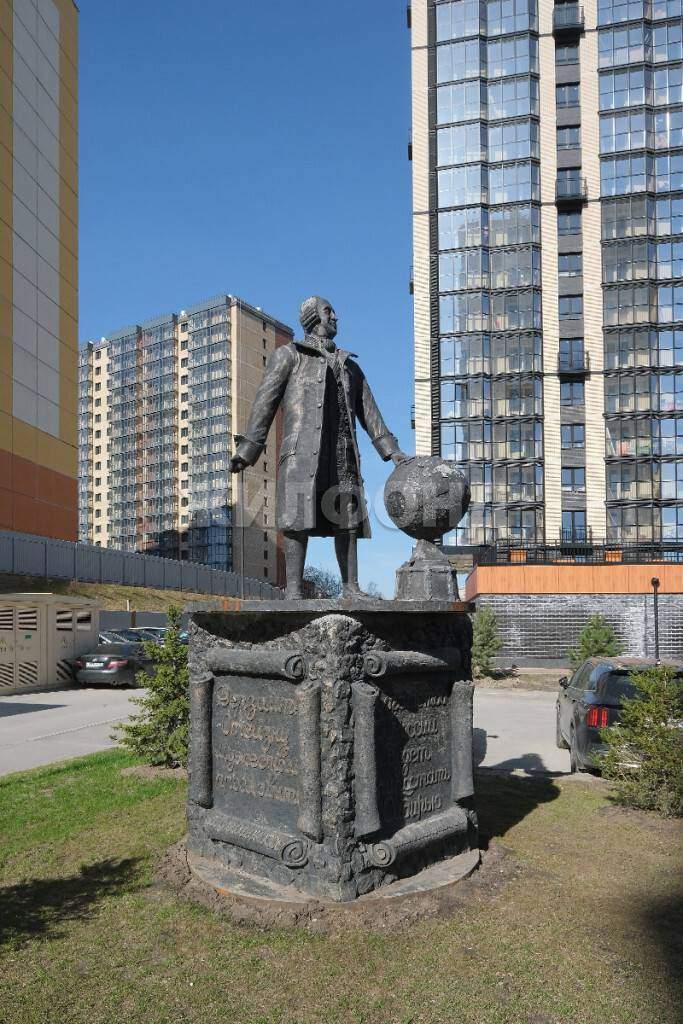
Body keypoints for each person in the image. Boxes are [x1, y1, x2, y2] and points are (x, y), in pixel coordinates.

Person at [230, 296, 408, 598]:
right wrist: (248, 450)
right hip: (301, 454)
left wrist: (392, 452)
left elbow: (370, 413)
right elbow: (264, 403)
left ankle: (351, 587)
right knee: (296, 518)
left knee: (347, 518)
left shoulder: (350, 367)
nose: (335, 316)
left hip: (342, 454)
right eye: (329, 311)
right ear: (313, 317)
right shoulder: (289, 356)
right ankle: (293, 590)